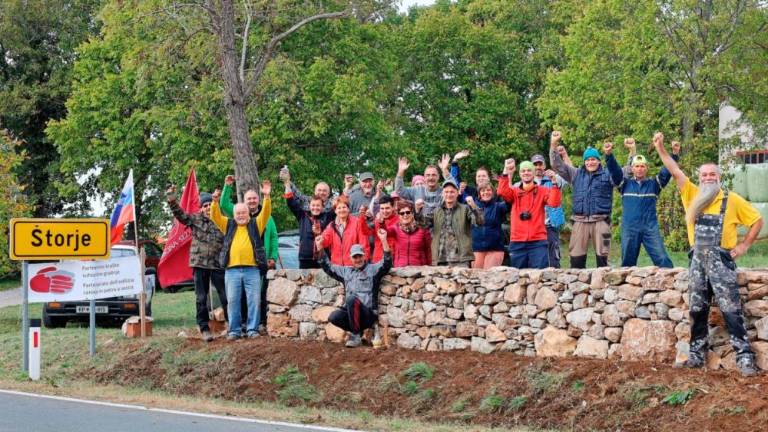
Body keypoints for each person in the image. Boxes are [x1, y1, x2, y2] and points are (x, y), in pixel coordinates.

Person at [655, 133, 763, 377]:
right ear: (699, 178)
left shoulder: (732, 200)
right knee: (697, 309)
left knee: (731, 310)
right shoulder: (692, 194)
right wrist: (661, 148)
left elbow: (757, 221)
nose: (707, 178)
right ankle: (696, 356)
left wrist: (744, 246)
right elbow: (674, 171)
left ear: (718, 177)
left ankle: (745, 359)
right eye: (704, 175)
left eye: (712, 174)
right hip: (697, 264)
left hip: (722, 263)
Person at [550, 131, 623, 268]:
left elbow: (619, 175)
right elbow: (557, 165)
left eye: (593, 159)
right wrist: (553, 144)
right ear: (584, 162)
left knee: (604, 255)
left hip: (602, 222)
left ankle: (604, 281)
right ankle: (577, 281)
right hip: (579, 221)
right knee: (576, 258)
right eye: (587, 160)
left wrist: (609, 155)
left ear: (599, 161)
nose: (590, 162)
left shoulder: (607, 174)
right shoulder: (575, 174)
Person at [210, 181, 272, 340]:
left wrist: (266, 197)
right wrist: (215, 202)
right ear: (234, 214)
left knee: (254, 301)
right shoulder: (228, 224)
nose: (241, 215)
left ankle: (252, 330)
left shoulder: (256, 224)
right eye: (238, 213)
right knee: (232, 301)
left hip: (253, 270)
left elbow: (266, 213)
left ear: (248, 213)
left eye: (244, 212)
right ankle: (234, 331)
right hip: (232, 271)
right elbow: (215, 216)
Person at [166, 188, 227, 342]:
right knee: (201, 298)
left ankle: (231, 325)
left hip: (217, 264)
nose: (208, 207)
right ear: (201, 208)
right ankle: (204, 328)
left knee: (225, 295)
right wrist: (172, 200)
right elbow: (181, 215)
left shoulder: (222, 220)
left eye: (210, 204)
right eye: (205, 205)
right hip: (200, 264)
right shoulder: (195, 219)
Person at [606, 136, 677, 268]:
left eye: (642, 166)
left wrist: (674, 154)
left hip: (650, 227)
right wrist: (609, 155)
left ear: (646, 168)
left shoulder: (654, 184)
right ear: (632, 168)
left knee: (662, 259)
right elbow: (615, 171)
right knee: (627, 263)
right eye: (637, 166)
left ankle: (672, 280)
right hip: (630, 228)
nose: (639, 169)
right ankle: (627, 282)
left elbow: (667, 171)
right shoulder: (624, 184)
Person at [317, 229, 393, 348]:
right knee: (333, 317)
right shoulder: (345, 271)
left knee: (351, 299)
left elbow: (387, 262)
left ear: (364, 256)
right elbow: (328, 267)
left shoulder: (373, 269)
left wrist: (383, 240)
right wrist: (320, 246)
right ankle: (357, 331)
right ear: (351, 259)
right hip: (351, 315)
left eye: (360, 256)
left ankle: (355, 335)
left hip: (368, 315)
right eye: (355, 257)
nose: (358, 259)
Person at [498, 160, 562, 269]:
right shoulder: (514, 192)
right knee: (518, 275)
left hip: (538, 241)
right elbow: (501, 192)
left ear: (533, 173)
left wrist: (554, 183)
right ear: (520, 174)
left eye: (529, 170)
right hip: (517, 241)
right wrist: (506, 171)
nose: (526, 173)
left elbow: (554, 203)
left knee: (539, 275)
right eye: (523, 171)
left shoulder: (542, 191)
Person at [417, 180, 484, 267]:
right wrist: (418, 211)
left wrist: (474, 207)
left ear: (457, 193)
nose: (449, 194)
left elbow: (480, 222)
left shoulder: (465, 209)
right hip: (440, 259)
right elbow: (423, 225)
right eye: (446, 192)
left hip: (461, 259)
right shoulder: (436, 211)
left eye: (452, 192)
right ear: (442, 194)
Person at [284, 177, 335, 269]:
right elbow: (291, 202)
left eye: (318, 206)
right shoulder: (303, 215)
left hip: (324, 257)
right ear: (309, 206)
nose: (315, 208)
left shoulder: (328, 216)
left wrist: (347, 187)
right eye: (313, 205)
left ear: (322, 207)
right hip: (305, 258)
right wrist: (287, 184)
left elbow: (342, 206)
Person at [530, 153, 568, 268]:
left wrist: (564, 155)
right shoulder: (526, 182)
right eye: (535, 164)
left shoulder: (553, 178)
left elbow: (570, 173)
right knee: (536, 260)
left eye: (540, 164)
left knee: (553, 260)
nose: (538, 167)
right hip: (533, 227)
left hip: (550, 225)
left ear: (544, 165)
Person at [318, 195, 370, 265]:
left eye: (344, 207)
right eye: (339, 208)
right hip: (337, 266)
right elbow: (324, 242)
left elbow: (364, 245)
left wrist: (363, 263)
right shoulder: (331, 226)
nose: (342, 210)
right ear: (335, 211)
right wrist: (319, 236)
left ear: (348, 209)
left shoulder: (358, 223)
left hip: (355, 265)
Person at [471, 183, 508, 269]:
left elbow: (509, 202)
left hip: (495, 249)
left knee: (490, 275)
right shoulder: (472, 206)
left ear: (493, 192)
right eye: (483, 191)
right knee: (476, 276)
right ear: (479, 193)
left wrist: (507, 180)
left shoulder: (499, 206)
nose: (486, 192)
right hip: (477, 248)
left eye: (488, 190)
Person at [385, 200, 432, 267]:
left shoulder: (423, 229)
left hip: (419, 269)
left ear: (412, 213)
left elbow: (428, 251)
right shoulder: (395, 228)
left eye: (408, 212)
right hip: (400, 269)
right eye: (402, 213)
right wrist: (381, 223)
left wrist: (429, 267)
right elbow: (384, 232)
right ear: (399, 215)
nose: (405, 215)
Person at [359, 195, 399, 263]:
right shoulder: (377, 219)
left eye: (387, 208)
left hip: (392, 258)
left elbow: (387, 232)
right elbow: (366, 232)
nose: (384, 211)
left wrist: (381, 223)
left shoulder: (398, 220)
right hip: (377, 258)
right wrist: (362, 217)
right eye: (382, 208)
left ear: (393, 207)